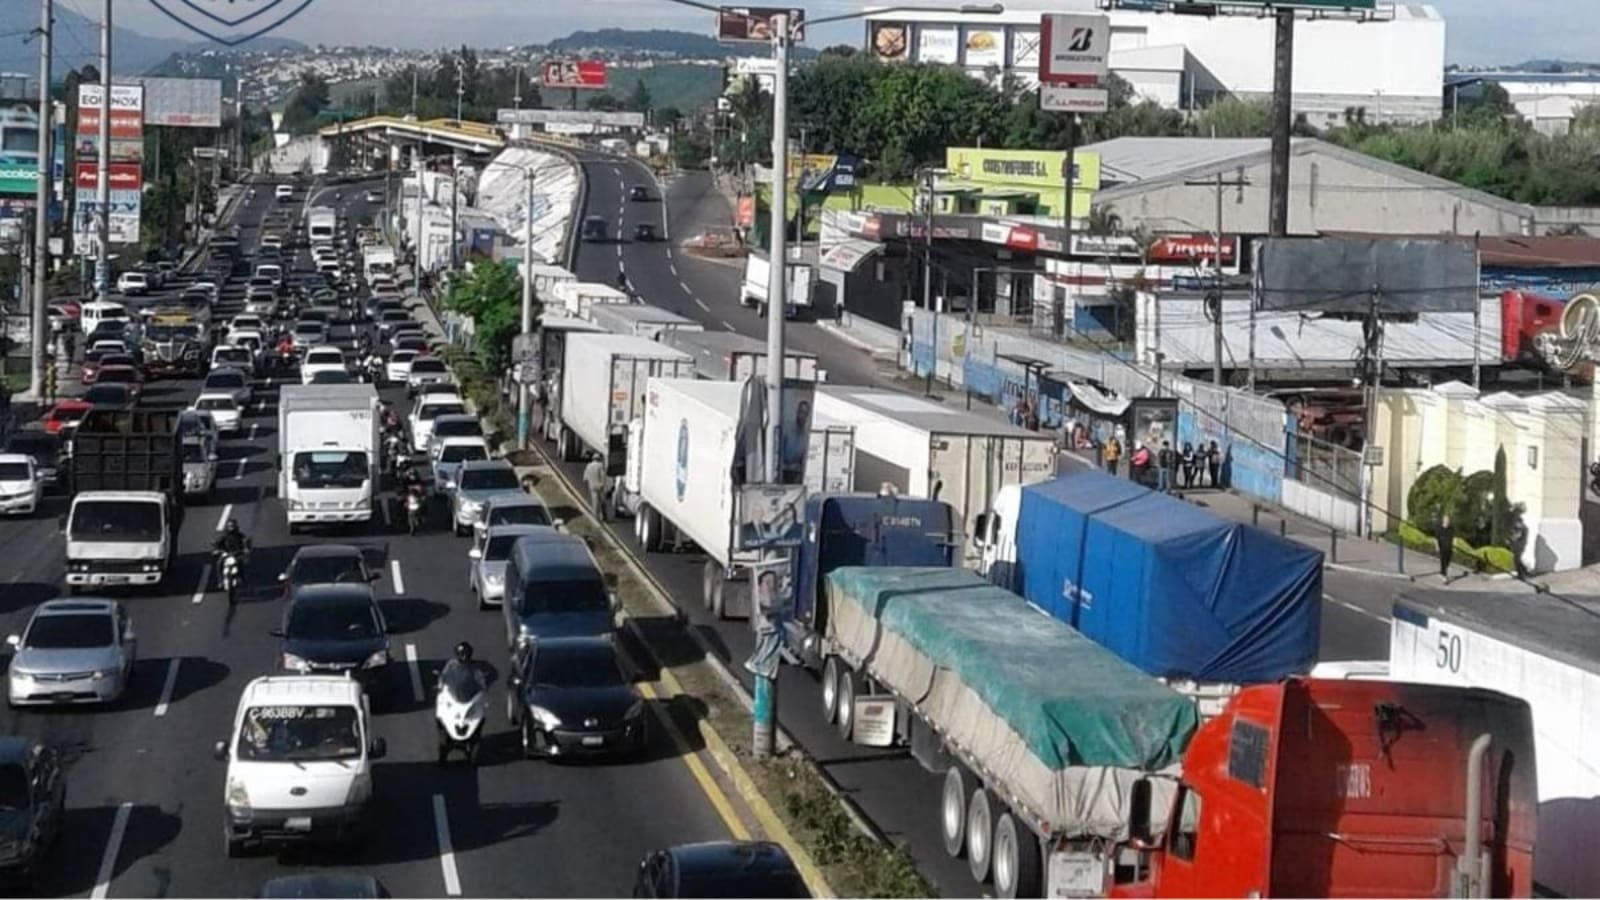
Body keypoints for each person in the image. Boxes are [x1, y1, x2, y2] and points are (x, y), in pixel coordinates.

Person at [583, 452, 609, 522]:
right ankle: (604, 516)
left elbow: (585, 478)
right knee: (603, 502)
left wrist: (586, 486)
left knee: (595, 502)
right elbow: (603, 476)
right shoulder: (600, 466)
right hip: (600, 486)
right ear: (599, 459)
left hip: (592, 487)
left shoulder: (588, 466)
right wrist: (605, 485)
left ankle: (595, 518)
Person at [1435, 513, 1456, 579]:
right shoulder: (1439, 529)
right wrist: (1437, 547)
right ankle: (1444, 575)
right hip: (1442, 548)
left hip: (1449, 548)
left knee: (1447, 562)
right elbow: (1436, 539)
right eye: (1446, 520)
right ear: (1443, 520)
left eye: (1448, 520)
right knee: (1443, 561)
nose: (1447, 521)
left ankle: (1442, 573)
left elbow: (1454, 538)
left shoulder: (1451, 529)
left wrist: (1455, 547)